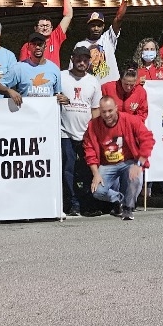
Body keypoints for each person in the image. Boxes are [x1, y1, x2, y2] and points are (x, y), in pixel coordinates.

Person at [83, 95, 154, 221]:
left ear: (116, 108)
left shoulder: (131, 120)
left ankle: (128, 207)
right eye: (103, 111)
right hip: (107, 164)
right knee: (97, 191)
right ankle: (121, 199)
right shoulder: (93, 125)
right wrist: (96, 173)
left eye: (110, 111)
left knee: (137, 179)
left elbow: (147, 140)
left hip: (128, 161)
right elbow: (89, 150)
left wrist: (139, 164)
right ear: (99, 111)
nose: (107, 115)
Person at [57, 46, 101, 217]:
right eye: (78, 59)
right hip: (64, 132)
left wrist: (93, 130)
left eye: (85, 59)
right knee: (68, 169)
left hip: (86, 133)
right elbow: (52, 96)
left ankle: (87, 203)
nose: (82, 62)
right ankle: (72, 203)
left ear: (89, 61)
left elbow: (96, 109)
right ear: (72, 58)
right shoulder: (61, 76)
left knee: (86, 169)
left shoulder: (93, 81)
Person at [72, 0, 130, 82]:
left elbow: (119, 18)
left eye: (99, 25)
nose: (96, 28)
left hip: (110, 87)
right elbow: (74, 71)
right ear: (88, 27)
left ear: (103, 27)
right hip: (90, 87)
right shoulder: (80, 45)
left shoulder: (108, 38)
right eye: (93, 25)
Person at [20, 0, 73, 67]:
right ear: (35, 28)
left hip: (53, 79)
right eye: (41, 26)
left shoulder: (55, 37)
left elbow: (68, 16)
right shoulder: (27, 46)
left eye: (47, 26)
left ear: (52, 28)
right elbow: (22, 69)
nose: (45, 28)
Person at [7, 33, 62, 103]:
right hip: (25, 111)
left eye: (40, 44)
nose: (37, 47)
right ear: (28, 47)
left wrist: (63, 99)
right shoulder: (19, 67)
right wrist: (9, 91)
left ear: (45, 46)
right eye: (33, 44)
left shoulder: (54, 69)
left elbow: (58, 94)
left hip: (47, 112)